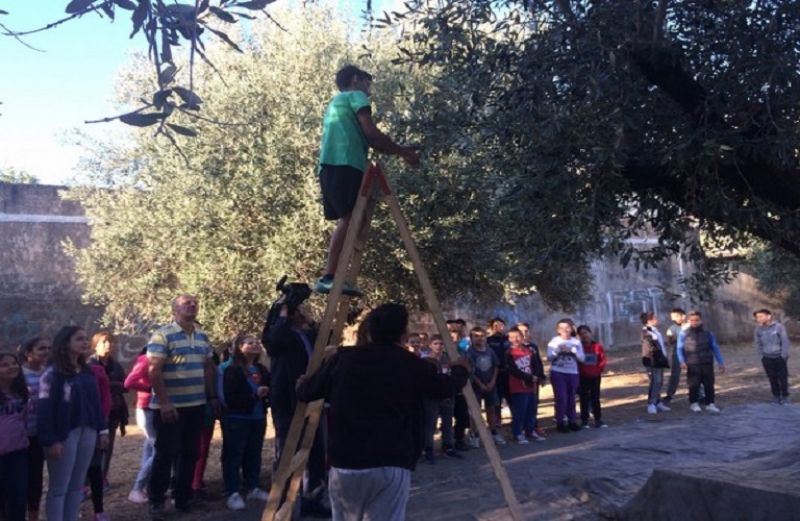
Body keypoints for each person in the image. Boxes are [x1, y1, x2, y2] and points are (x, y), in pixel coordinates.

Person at [296, 303, 469, 521]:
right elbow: (444, 388)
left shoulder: (343, 359)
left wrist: (302, 384)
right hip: (391, 459)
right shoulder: (410, 363)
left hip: (347, 460)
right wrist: (461, 370)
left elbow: (307, 392)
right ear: (403, 333)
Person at [314, 64, 420, 297]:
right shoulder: (355, 96)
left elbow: (371, 140)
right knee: (349, 218)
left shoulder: (337, 104)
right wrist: (404, 152)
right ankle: (330, 276)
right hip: (344, 163)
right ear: (355, 79)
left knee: (354, 220)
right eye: (367, 82)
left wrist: (398, 149)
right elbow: (371, 134)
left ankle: (337, 276)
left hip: (333, 165)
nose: (369, 89)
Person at [146, 294, 220, 517]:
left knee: (190, 452)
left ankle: (183, 498)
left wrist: (212, 397)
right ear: (174, 310)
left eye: (195, 302)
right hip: (170, 407)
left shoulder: (202, 337)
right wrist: (165, 402)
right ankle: (156, 500)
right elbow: (154, 371)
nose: (192, 305)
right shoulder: (162, 335)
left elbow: (208, 368)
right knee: (165, 452)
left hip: (196, 404)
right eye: (186, 303)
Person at [264, 297, 329, 518]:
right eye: (294, 309)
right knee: (288, 451)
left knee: (315, 450)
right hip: (287, 399)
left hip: (312, 397)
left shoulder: (306, 334)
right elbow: (273, 342)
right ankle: (283, 505)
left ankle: (313, 500)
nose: (297, 312)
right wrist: (281, 314)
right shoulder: (278, 334)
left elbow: (326, 337)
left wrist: (310, 321)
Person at [38, 326, 108, 521]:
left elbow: (95, 403)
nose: (85, 342)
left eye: (86, 339)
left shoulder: (87, 372)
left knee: (76, 485)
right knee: (59, 487)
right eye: (79, 339)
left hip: (88, 431)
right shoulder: (52, 375)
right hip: (63, 435)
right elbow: (45, 410)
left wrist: (101, 430)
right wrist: (51, 440)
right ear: (65, 343)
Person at [221, 335, 271, 510]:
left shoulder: (262, 369)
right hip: (237, 418)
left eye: (257, 342)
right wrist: (254, 395)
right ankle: (232, 492)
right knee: (234, 455)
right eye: (250, 343)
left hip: (258, 417)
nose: (256, 344)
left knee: (254, 453)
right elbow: (231, 398)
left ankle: (253, 487)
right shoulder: (232, 370)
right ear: (240, 347)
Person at [89, 332, 128, 486]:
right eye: (104, 342)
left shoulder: (115, 365)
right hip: (95, 412)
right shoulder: (89, 364)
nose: (108, 345)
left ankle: (102, 478)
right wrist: (112, 385)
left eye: (111, 342)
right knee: (93, 447)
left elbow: (125, 384)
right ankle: (87, 481)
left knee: (108, 445)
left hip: (113, 411)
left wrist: (112, 385)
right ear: (96, 345)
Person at [19, 337, 50, 521]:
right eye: (41, 349)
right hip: (21, 436)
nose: (46, 352)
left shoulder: (49, 374)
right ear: (28, 353)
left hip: (41, 435)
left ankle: (33, 517)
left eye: (48, 348)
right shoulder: (18, 375)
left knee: (36, 480)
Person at [677, 311, 726, 414]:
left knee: (709, 384)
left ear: (701, 320)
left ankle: (710, 404)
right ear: (689, 321)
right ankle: (694, 403)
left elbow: (715, 348)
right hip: (692, 363)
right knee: (694, 384)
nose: (694, 322)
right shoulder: (683, 333)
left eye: (696, 320)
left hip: (706, 362)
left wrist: (720, 362)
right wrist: (681, 361)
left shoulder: (708, 333)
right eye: (692, 320)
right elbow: (679, 348)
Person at [0, 350, 30, 521]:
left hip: (18, 452)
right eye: (4, 365)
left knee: (18, 500)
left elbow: (23, 420)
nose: (11, 367)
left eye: (13, 363)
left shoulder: (21, 392)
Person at [421, 335, 460, 462]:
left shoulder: (447, 359)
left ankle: (448, 446)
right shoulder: (426, 360)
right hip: (431, 396)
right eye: (436, 343)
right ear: (430, 345)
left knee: (448, 422)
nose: (438, 346)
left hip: (447, 395)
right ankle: (429, 448)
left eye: (441, 344)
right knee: (431, 423)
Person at [124, 347, 154, 504]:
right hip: (146, 408)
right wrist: (150, 388)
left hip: (155, 408)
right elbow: (129, 382)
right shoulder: (144, 360)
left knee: (149, 449)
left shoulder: (159, 359)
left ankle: (145, 488)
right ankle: (137, 488)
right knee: (159, 449)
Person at [466, 326, 504, 445]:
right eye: (476, 336)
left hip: (490, 385)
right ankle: (474, 434)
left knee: (491, 408)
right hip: (476, 386)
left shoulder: (490, 351)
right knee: (475, 411)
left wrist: (492, 381)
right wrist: (480, 384)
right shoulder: (469, 353)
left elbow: (496, 367)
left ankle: (493, 432)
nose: (479, 339)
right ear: (471, 338)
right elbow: (470, 371)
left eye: (482, 336)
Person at [86, 353, 112, 521]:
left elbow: (102, 399)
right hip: (71, 430)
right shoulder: (55, 373)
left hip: (93, 426)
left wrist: (102, 428)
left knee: (95, 468)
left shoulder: (95, 371)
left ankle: (98, 510)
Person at [547, 319, 585, 432]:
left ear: (571, 328)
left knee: (571, 398)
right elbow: (549, 357)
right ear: (558, 330)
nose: (565, 330)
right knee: (561, 398)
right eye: (562, 328)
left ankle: (572, 420)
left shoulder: (576, 342)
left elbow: (582, 358)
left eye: (567, 327)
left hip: (572, 372)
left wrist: (572, 350)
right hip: (558, 372)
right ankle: (560, 421)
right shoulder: (554, 341)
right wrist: (558, 350)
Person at [505, 327, 542, 444]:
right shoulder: (508, 352)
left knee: (531, 409)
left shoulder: (529, 350)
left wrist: (536, 376)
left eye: (517, 336)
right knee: (519, 411)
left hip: (531, 386)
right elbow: (513, 370)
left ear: (522, 337)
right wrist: (529, 378)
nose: (515, 339)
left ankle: (530, 431)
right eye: (511, 337)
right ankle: (517, 433)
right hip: (518, 386)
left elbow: (535, 365)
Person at [753, 309, 791, 404]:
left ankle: (785, 396)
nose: (759, 319)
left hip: (779, 357)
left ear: (768, 316)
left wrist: (783, 355)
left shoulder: (779, 327)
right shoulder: (758, 330)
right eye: (757, 317)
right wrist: (762, 355)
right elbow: (758, 343)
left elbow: (785, 341)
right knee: (772, 377)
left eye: (761, 316)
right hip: (767, 358)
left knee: (782, 378)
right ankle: (776, 396)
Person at [516, 322, 546, 438]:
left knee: (534, 403)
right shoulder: (513, 347)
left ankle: (533, 426)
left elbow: (538, 362)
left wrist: (541, 376)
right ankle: (521, 428)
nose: (524, 334)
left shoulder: (533, 346)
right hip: (521, 380)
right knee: (522, 405)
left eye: (526, 331)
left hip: (534, 380)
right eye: (521, 331)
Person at [576, 325, 607, 428]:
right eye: (581, 334)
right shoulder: (579, 347)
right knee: (584, 398)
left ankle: (598, 419)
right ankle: (584, 420)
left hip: (595, 376)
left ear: (590, 333)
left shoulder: (597, 346)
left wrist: (599, 369)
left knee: (595, 397)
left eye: (586, 333)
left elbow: (602, 359)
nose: (584, 335)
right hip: (583, 376)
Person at [640, 312, 671, 415]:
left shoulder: (655, 331)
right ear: (649, 320)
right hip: (652, 361)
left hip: (659, 359)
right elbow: (649, 347)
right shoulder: (646, 332)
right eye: (654, 318)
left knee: (660, 381)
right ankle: (651, 403)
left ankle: (658, 402)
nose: (656, 319)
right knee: (655, 381)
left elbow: (660, 345)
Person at [486, 317, 510, 422]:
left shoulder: (509, 339)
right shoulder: (488, 341)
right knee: (497, 397)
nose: (498, 328)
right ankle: (497, 419)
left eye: (500, 325)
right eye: (495, 326)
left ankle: (516, 418)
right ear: (491, 328)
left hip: (509, 372)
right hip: (495, 372)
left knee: (511, 396)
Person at [662, 308, 687, 405]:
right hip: (677, 352)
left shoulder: (689, 326)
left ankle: (700, 393)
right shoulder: (672, 328)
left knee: (695, 373)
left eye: (676, 317)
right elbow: (670, 342)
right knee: (675, 374)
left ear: (682, 316)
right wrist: (674, 338)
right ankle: (670, 394)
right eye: (672, 317)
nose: (674, 319)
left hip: (690, 351)